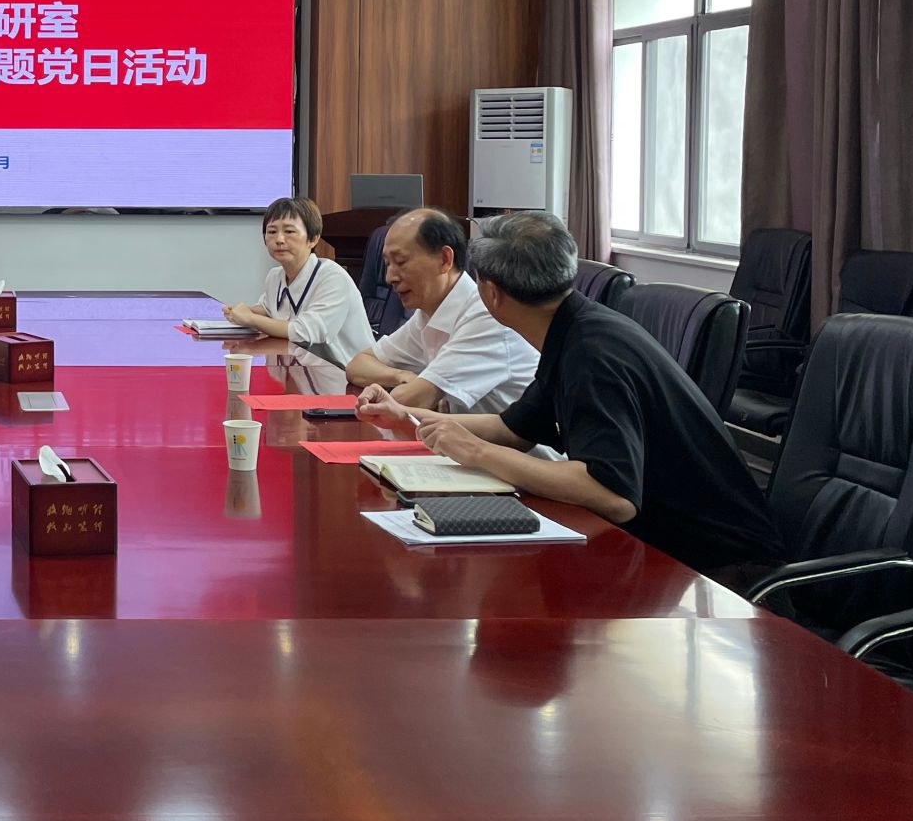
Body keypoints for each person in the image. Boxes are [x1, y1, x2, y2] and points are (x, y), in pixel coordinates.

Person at [362, 209, 786, 588]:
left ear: (490, 292)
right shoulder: (571, 329)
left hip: (718, 573)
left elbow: (613, 496)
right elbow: (511, 429)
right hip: (665, 552)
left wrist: (476, 452)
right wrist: (407, 414)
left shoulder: (592, 353)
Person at [346, 207, 537, 413]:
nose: (389, 277)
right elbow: (357, 365)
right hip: (459, 432)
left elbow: (412, 400)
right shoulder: (428, 313)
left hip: (513, 436)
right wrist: (402, 376)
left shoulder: (486, 315)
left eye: (400, 262)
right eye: (387, 264)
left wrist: (412, 388)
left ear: (445, 259)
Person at [222, 196, 374, 358]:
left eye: (289, 231)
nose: (279, 240)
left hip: (344, 369)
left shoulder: (332, 277)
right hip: (301, 364)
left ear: (313, 239)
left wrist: (250, 318)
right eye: (272, 232)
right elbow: (269, 309)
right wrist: (239, 311)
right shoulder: (275, 276)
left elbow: (305, 333)